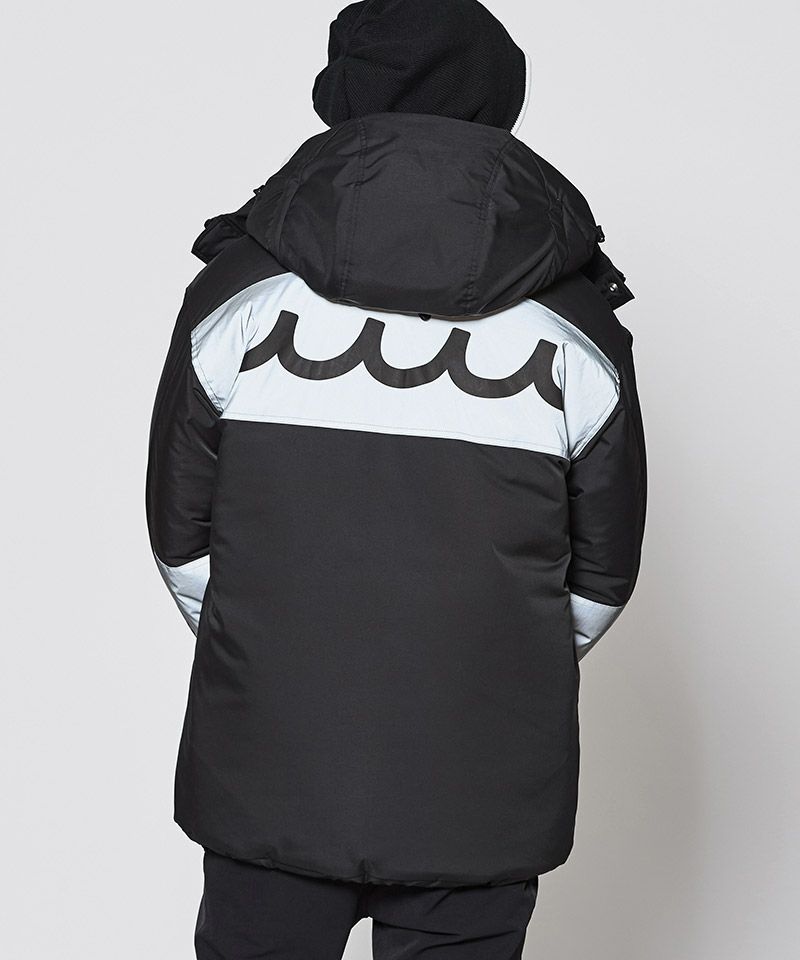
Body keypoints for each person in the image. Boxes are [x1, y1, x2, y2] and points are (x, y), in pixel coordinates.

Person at [146, 1, 646, 956]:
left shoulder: (238, 293)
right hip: (483, 781)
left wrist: (278, 654)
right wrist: (493, 661)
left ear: (338, 95)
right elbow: (603, 571)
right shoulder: (576, 320)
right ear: (503, 99)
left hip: (271, 763)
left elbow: (179, 531)